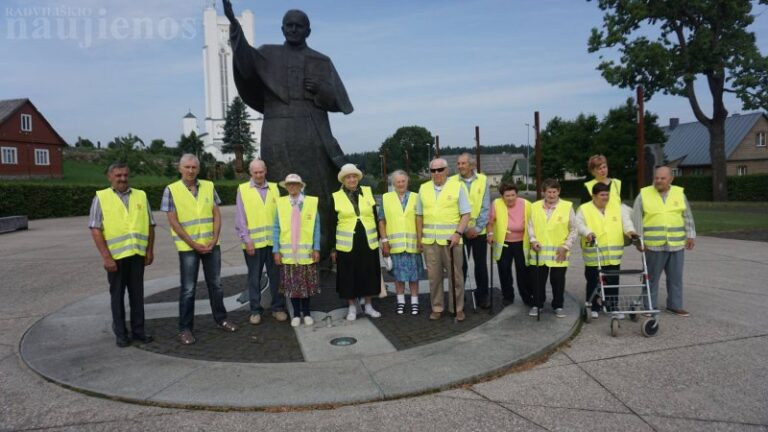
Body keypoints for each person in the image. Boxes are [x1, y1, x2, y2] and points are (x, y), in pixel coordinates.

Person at [224, 1, 353, 256]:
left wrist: (320, 90)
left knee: (318, 189)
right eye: (289, 25)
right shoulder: (267, 54)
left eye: (299, 26)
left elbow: (341, 102)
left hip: (311, 130)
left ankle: (323, 251)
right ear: (282, 28)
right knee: (279, 190)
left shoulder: (321, 60)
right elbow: (246, 65)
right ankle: (279, 255)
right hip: (277, 131)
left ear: (308, 31)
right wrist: (234, 27)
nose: (293, 30)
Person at [162, 154, 238, 345]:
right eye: (187, 167)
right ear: (180, 168)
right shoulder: (172, 190)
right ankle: (185, 329)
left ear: (198, 169)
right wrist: (193, 244)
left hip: (211, 244)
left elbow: (216, 214)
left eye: (194, 167)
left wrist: (214, 239)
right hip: (188, 247)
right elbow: (173, 221)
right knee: (188, 289)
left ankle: (221, 319)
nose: (190, 170)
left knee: (216, 284)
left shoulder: (208, 186)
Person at [89, 162, 155, 347]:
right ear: (110, 177)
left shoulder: (141, 195)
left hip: (137, 255)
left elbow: (150, 224)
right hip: (116, 258)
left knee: (137, 295)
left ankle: (139, 331)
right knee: (117, 296)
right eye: (118, 175)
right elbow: (95, 229)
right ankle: (121, 334)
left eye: (125, 175)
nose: (122, 179)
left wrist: (149, 250)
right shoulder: (101, 198)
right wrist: (106, 257)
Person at [632, 166, 696, 317]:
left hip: (676, 245)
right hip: (653, 246)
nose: (659, 181)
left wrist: (691, 235)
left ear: (671, 179)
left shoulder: (679, 193)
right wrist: (638, 242)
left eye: (663, 178)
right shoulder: (644, 194)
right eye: (656, 178)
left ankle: (675, 305)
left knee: (675, 278)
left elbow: (687, 216)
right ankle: (649, 306)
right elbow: (637, 219)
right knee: (651, 278)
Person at [417, 158, 472, 321]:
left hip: (451, 242)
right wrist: (420, 237)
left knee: (456, 277)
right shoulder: (423, 188)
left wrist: (458, 233)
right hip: (430, 242)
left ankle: (458, 308)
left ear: (447, 170)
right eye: (433, 170)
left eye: (440, 170)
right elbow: (419, 215)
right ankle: (437, 307)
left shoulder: (458, 187)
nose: (436, 173)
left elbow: (466, 214)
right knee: (434, 278)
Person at [235, 159, 288, 325]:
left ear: (265, 171)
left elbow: (281, 215)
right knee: (254, 278)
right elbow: (240, 217)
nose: (258, 175)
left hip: (273, 244)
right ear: (250, 173)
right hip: (253, 244)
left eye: (261, 172)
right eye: (255, 172)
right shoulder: (243, 189)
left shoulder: (274, 188)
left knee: (276, 278)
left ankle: (278, 308)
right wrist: (246, 239)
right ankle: (255, 310)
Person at [576, 182, 637, 319]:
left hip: (613, 255)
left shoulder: (617, 208)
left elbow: (626, 222)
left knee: (613, 281)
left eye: (607, 195)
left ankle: (612, 306)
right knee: (593, 281)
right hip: (594, 253)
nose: (605, 198)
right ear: (594, 196)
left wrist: (630, 231)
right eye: (602, 195)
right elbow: (578, 224)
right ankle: (593, 306)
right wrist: (587, 232)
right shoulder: (584, 209)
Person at [329, 164, 382, 321]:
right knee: (348, 275)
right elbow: (331, 224)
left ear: (358, 178)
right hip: (346, 243)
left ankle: (368, 305)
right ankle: (352, 307)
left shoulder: (367, 192)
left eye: (354, 177)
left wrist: (380, 238)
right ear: (343, 180)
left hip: (367, 241)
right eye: (348, 177)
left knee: (368, 273)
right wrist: (333, 248)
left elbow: (374, 215)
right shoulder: (336, 196)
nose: (351, 179)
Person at [273, 174, 321, 327]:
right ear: (286, 187)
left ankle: (306, 313)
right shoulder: (280, 204)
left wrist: (317, 248)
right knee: (292, 286)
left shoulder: (311, 203)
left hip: (306, 252)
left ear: (301, 186)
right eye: (289, 184)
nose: (292, 187)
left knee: (305, 286)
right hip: (288, 254)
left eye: (295, 184)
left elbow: (316, 227)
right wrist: (276, 250)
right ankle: (295, 314)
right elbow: (276, 228)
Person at [528, 179, 577, 318]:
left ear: (559, 192)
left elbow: (574, 229)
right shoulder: (535, 206)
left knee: (558, 280)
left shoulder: (567, 206)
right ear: (544, 192)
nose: (551, 195)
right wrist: (533, 240)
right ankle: (537, 304)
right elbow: (530, 225)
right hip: (539, 251)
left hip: (559, 252)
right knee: (538, 281)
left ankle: (558, 306)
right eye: (549, 191)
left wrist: (566, 246)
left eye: (554, 192)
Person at [378, 170, 422, 315]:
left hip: (412, 244)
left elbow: (420, 220)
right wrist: (384, 241)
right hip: (395, 245)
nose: (401, 184)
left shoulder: (416, 197)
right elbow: (381, 221)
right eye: (398, 181)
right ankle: (401, 302)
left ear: (407, 181)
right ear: (393, 183)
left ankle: (415, 302)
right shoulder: (386, 198)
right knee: (398, 277)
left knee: (414, 276)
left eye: (403, 181)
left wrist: (421, 240)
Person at [451, 153, 491, 308]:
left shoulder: (483, 179)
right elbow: (453, 207)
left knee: (481, 265)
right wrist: (465, 228)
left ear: (472, 165)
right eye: (459, 163)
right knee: (461, 266)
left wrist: (478, 227)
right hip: (461, 230)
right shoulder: (452, 181)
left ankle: (483, 296)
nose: (460, 166)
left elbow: (486, 206)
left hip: (478, 231)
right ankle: (460, 297)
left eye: (463, 163)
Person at [486, 183, 532, 307]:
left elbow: (533, 222)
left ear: (517, 194)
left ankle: (527, 296)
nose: (511, 198)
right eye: (507, 195)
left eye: (513, 195)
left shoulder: (526, 204)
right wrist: (490, 234)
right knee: (504, 270)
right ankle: (508, 296)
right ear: (502, 196)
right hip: (503, 243)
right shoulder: (496, 203)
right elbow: (490, 222)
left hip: (522, 243)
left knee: (523, 271)